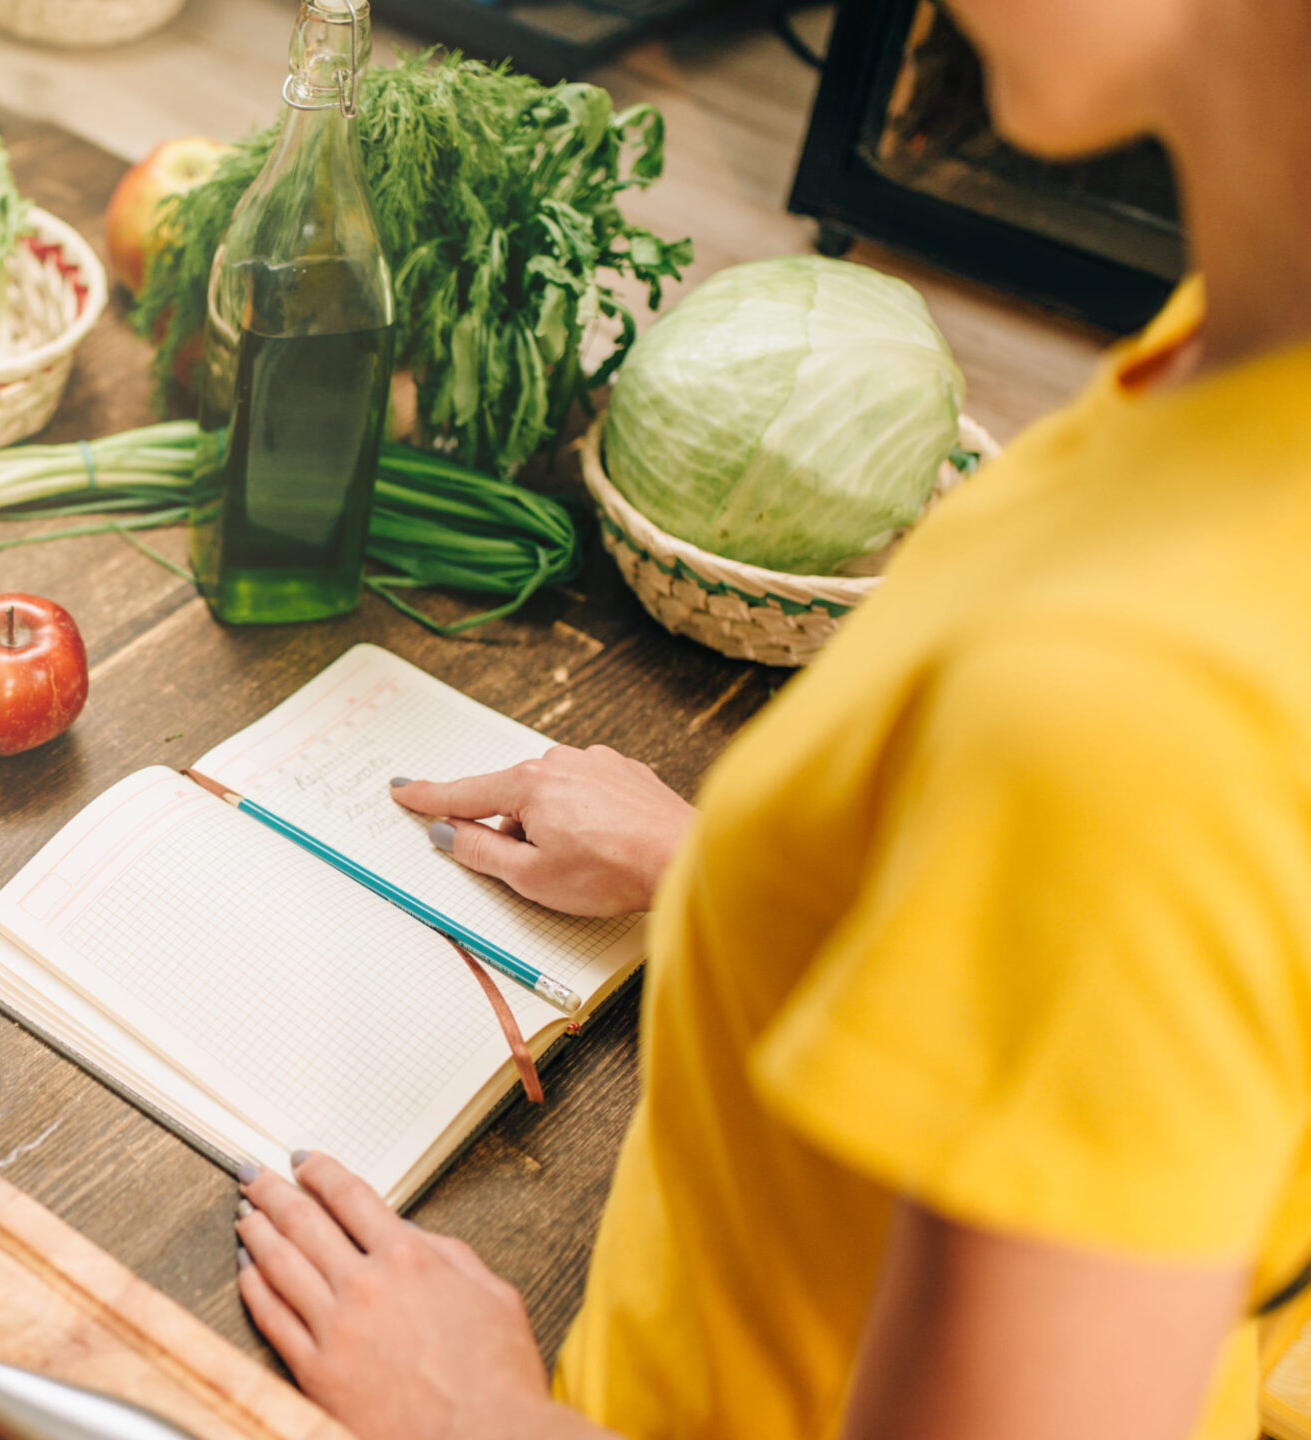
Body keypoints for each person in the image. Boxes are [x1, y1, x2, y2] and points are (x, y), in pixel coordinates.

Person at [227, 0, 1311, 1436]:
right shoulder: (1237, 365)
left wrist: (482, 1420)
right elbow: (1123, 1001)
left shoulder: (1147, 703)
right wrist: (736, 876)